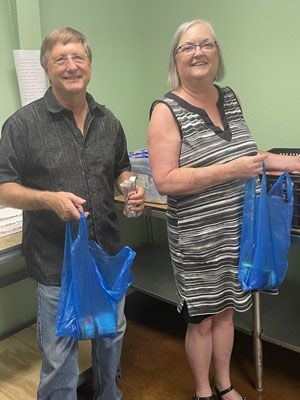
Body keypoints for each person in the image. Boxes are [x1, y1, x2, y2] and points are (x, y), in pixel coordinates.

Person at [147, 19, 300, 400]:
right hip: (197, 237)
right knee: (202, 320)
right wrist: (229, 171)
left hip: (237, 229)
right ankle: (202, 391)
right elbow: (165, 180)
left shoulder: (229, 97)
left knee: (228, 312)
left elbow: (252, 156)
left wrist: (294, 163)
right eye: (188, 47)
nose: (198, 52)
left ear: (217, 53)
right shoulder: (166, 110)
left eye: (206, 45)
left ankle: (224, 383)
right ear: (176, 59)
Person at [0, 27, 144, 400]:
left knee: (111, 337)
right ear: (47, 68)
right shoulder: (22, 125)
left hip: (107, 256)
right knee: (60, 358)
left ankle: (108, 393)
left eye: (78, 56)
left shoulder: (108, 121)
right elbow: (3, 187)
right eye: (60, 59)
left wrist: (130, 189)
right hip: (55, 264)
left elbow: (121, 169)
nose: (71, 65)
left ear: (90, 65)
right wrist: (49, 200)